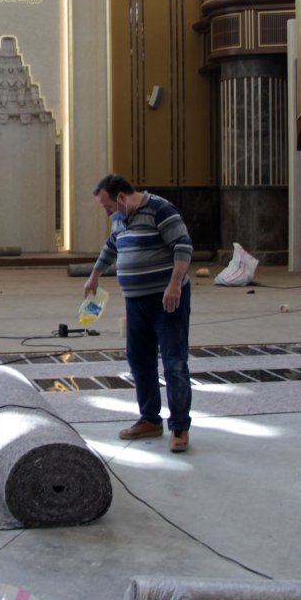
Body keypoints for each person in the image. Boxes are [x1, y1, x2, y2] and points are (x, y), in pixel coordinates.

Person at [84, 174, 194, 454]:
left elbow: (183, 246)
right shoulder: (120, 219)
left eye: (108, 206)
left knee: (174, 363)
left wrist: (173, 285)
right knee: (139, 360)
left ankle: (179, 428)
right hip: (135, 303)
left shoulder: (161, 210)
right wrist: (95, 276)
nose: (107, 212)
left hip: (167, 300)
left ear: (121, 197)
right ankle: (149, 419)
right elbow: (111, 246)